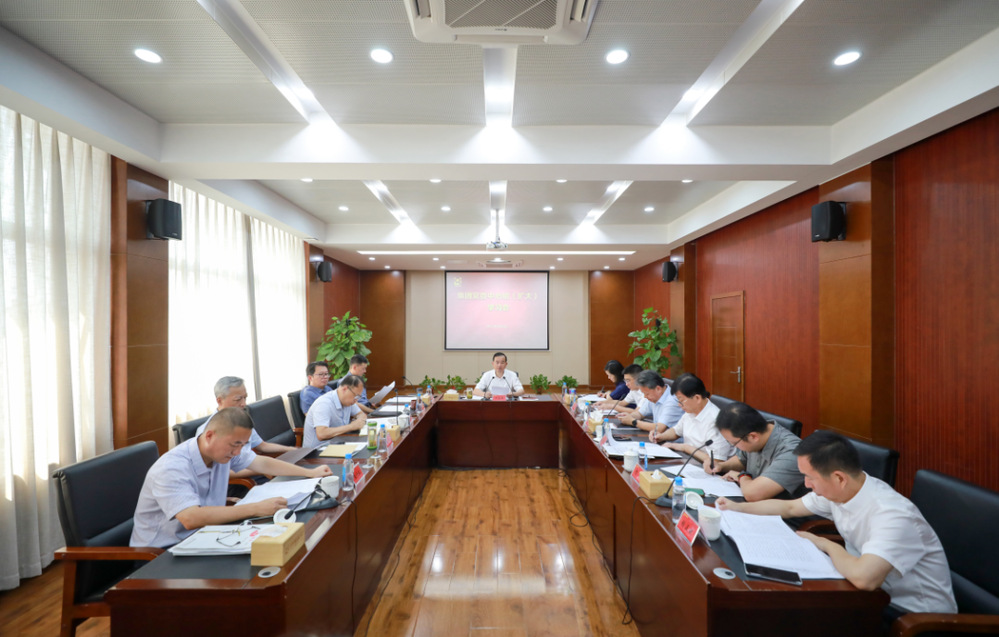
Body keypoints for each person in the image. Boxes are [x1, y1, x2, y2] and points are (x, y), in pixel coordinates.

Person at [716, 431, 957, 615]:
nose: (806, 484)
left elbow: (864, 578)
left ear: (839, 477)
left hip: (911, 615)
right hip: (865, 595)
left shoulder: (892, 514)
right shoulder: (843, 490)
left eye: (809, 477)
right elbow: (789, 507)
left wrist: (825, 544)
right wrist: (736, 507)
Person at [131, 407, 332, 548]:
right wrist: (255, 508)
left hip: (206, 536)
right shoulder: (172, 467)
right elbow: (190, 518)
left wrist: (310, 473)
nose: (237, 452)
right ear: (209, 436)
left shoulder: (223, 451)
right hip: (162, 553)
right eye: (235, 445)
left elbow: (261, 463)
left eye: (242, 445)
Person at [705, 401, 806, 501]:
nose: (734, 446)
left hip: (779, 509)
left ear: (753, 437)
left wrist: (742, 476)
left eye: (734, 443)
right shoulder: (753, 433)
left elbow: (753, 495)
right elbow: (742, 460)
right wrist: (721, 466)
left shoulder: (792, 452)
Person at [197, 376, 296, 459]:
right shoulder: (206, 431)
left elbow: (262, 446)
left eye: (245, 398)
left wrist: (291, 450)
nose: (244, 404)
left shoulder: (241, 420)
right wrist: (263, 469)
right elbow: (225, 471)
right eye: (238, 399)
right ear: (219, 400)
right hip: (247, 474)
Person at [648, 373, 735, 463]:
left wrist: (686, 448)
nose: (679, 405)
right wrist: (661, 436)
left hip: (707, 468)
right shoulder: (691, 411)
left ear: (697, 398)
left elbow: (717, 461)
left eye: (681, 401)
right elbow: (676, 431)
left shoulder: (715, 421)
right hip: (689, 460)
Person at [302, 374, 368, 447]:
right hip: (318, 449)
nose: (356, 400)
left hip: (338, 443)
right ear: (345, 389)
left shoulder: (348, 401)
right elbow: (321, 434)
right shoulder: (324, 404)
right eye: (356, 396)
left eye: (359, 397)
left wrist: (359, 420)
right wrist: (351, 426)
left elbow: (361, 414)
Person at [617, 370, 682, 434]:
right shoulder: (654, 396)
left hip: (671, 440)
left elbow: (659, 428)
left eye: (647, 394)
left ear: (658, 389)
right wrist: (629, 416)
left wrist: (633, 421)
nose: (645, 396)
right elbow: (640, 414)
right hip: (657, 437)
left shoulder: (672, 401)